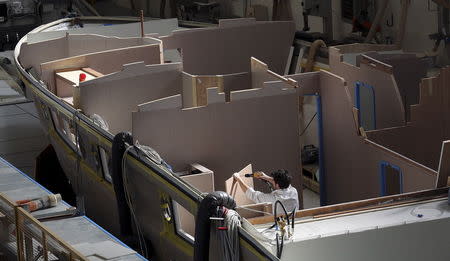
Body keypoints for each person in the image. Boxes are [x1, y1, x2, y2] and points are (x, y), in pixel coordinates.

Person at [233, 169, 299, 213]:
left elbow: (252, 194)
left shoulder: (274, 199)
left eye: (273, 181)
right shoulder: (293, 191)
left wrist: (238, 178)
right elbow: (281, 182)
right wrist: (265, 177)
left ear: (277, 185)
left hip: (280, 224)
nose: (272, 180)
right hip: (294, 219)